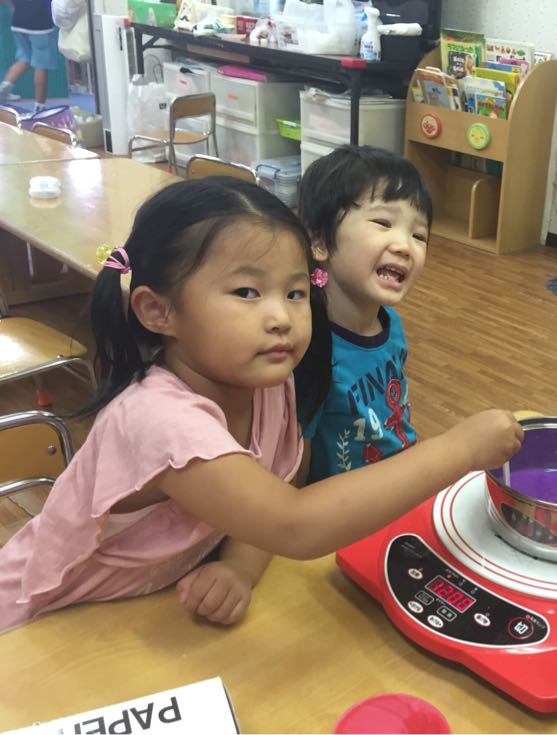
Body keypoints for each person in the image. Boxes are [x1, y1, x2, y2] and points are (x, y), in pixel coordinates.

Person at [0, 177, 523, 635]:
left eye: (295, 293)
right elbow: (292, 523)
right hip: (37, 621)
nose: (281, 318)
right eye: (247, 292)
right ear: (158, 311)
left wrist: (239, 569)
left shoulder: (270, 385)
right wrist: (459, 450)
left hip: (131, 614)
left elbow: (277, 486)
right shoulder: (160, 420)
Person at [296, 145, 431, 481]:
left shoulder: (391, 324)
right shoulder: (307, 346)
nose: (405, 245)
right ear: (319, 242)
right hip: (351, 505)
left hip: (402, 482)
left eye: (419, 235)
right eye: (383, 222)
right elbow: (296, 474)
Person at [0, 0, 58, 112]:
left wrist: (14, 7)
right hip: (40, 24)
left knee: (24, 59)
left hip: (18, 22)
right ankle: (40, 106)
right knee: (41, 64)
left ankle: (4, 87)